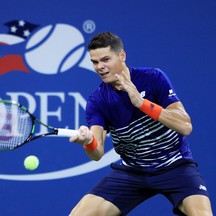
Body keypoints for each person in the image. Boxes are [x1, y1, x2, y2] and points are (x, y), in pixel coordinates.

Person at [69, 32, 213, 216]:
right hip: (132, 171)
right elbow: (97, 154)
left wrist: (141, 103)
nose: (100, 67)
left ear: (122, 55)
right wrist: (88, 141)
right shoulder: (97, 100)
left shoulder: (153, 78)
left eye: (106, 59)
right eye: (95, 62)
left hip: (175, 166)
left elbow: (185, 126)